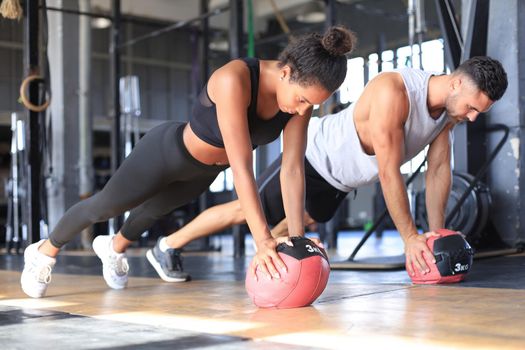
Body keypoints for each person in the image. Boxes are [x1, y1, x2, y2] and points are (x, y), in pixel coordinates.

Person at [20, 26, 357, 298]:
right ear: (285, 72)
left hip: (204, 171)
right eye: (301, 100)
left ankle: (113, 247)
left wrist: (297, 238)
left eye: (310, 105)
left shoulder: (300, 103)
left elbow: (293, 168)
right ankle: (44, 251)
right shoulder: (235, 79)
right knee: (104, 207)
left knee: (153, 212)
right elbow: (242, 167)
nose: (302, 110)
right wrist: (264, 241)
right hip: (167, 153)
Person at [146, 56, 508, 282]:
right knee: (246, 209)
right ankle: (167, 245)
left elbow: (439, 168)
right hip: (314, 161)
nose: (472, 117)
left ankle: (271, 259)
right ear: (457, 82)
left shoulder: (450, 111)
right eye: (473, 107)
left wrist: (436, 231)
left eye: (479, 112)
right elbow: (388, 171)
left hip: (342, 180)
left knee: (296, 229)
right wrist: (410, 238)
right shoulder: (394, 91)